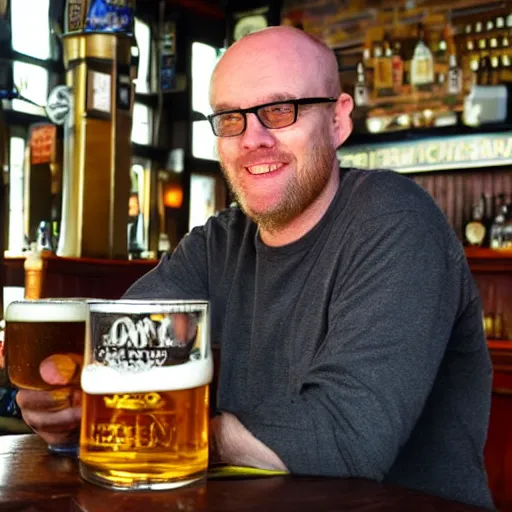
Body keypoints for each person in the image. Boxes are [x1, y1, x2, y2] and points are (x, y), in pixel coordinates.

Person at [16, 26, 493, 509]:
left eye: (280, 110)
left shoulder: (394, 218)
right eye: (230, 118)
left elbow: (345, 437)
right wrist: (66, 402)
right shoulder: (218, 242)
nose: (253, 139)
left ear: (337, 121)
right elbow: (109, 356)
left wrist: (177, 431)